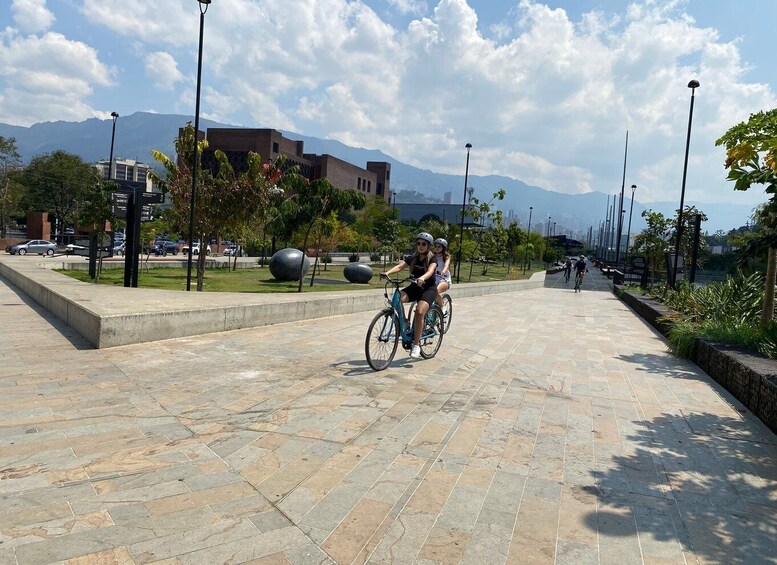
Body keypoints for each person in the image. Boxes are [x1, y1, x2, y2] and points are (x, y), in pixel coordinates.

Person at [380, 232, 439, 359]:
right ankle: (405, 322)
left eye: (424, 244)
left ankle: (416, 345)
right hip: (414, 287)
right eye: (418, 243)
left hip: (428, 289)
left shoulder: (432, 258)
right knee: (396, 299)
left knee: (419, 311)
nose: (420, 246)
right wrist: (387, 273)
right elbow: (400, 266)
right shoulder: (413, 258)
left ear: (428, 246)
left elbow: (430, 271)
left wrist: (422, 277)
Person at [433, 238, 451, 311]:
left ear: (443, 248)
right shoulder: (432, 256)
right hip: (434, 278)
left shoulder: (446, 256)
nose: (436, 248)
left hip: (444, 279)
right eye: (435, 246)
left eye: (439, 246)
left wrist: (443, 271)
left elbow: (446, 265)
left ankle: (442, 306)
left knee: (436, 291)